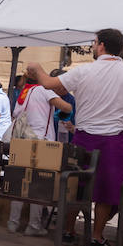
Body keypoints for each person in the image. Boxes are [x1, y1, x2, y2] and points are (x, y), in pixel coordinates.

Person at [26, 29, 123, 246]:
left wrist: (37, 69)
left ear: (101, 46)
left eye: (94, 42)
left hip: (84, 138)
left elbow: (49, 84)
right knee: (108, 191)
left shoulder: (84, 71)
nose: (92, 45)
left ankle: (69, 231)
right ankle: (97, 236)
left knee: (77, 186)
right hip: (114, 140)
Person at [7, 72, 73, 236]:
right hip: (40, 142)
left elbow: (15, 114)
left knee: (18, 182)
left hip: (21, 142)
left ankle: (13, 223)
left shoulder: (24, 91)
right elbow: (67, 107)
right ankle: (33, 225)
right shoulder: (44, 90)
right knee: (37, 184)